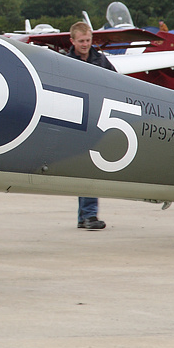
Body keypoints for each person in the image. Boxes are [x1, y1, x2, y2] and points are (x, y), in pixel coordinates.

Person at [64, 21, 115, 228]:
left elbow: (116, 83)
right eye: (81, 41)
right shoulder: (66, 63)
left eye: (88, 40)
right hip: (76, 120)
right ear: (72, 41)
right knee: (88, 167)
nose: (85, 44)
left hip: (97, 119)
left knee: (90, 166)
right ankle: (88, 215)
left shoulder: (101, 61)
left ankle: (85, 216)